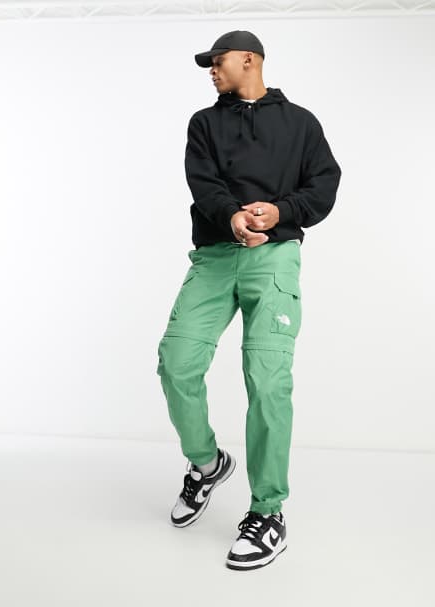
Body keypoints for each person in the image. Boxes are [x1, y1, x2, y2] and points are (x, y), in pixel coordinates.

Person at [156, 30, 342, 571]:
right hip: (215, 256)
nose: (212, 71)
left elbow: (324, 185)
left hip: (275, 258)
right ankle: (206, 464)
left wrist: (280, 212)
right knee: (176, 362)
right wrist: (233, 216)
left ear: (249, 59)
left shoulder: (301, 123)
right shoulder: (204, 123)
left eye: (218, 62)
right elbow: (203, 184)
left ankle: (268, 511)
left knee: (267, 380)